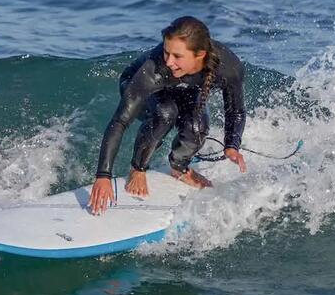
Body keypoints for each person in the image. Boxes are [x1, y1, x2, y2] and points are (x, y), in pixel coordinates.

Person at [89, 16, 247, 215]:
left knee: (196, 128)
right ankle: (137, 168)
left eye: (177, 56)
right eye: (166, 52)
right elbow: (120, 122)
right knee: (165, 113)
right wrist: (103, 175)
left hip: (186, 88)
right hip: (137, 84)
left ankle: (179, 167)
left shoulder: (228, 67)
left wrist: (232, 145)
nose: (169, 62)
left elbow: (236, 109)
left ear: (200, 55)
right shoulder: (156, 68)